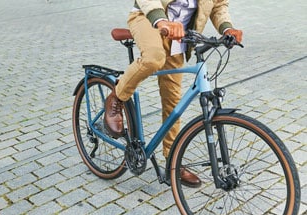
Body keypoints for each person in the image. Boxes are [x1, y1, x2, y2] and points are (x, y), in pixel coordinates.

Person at [104, 0, 243, 187]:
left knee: (173, 101)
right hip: (149, 18)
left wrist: (227, 29)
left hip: (180, 32)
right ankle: (116, 97)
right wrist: (161, 21)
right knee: (154, 59)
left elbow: (218, 5)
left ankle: (173, 162)